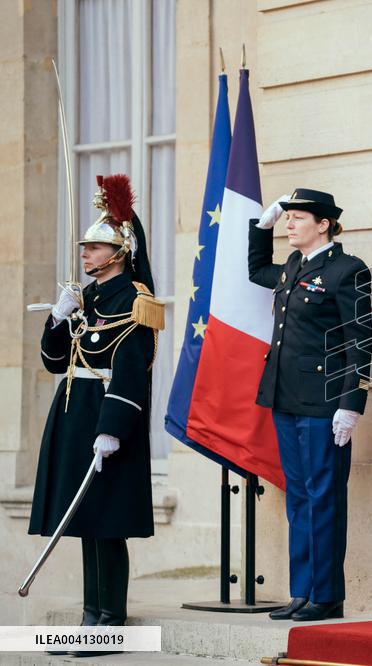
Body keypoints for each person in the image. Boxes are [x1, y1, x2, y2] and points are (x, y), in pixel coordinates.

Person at [29, 174, 163, 657]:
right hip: (74, 414)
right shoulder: (86, 298)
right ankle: (91, 616)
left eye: (95, 247)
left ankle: (110, 620)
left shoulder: (134, 300)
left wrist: (112, 430)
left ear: (120, 253)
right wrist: (58, 318)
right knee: (83, 520)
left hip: (108, 419)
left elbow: (131, 370)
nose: (85, 254)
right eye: (85, 247)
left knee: (107, 524)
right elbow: (52, 360)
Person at [249, 188, 372, 622]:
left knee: (324, 498)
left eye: (296, 218)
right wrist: (260, 227)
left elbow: (360, 340)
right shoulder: (292, 268)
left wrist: (351, 402)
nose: (289, 224)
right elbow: (256, 269)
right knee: (298, 498)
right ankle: (302, 591)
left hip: (325, 403)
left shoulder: (346, 270)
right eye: (287, 219)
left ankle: (326, 595)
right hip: (285, 398)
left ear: (323, 224)